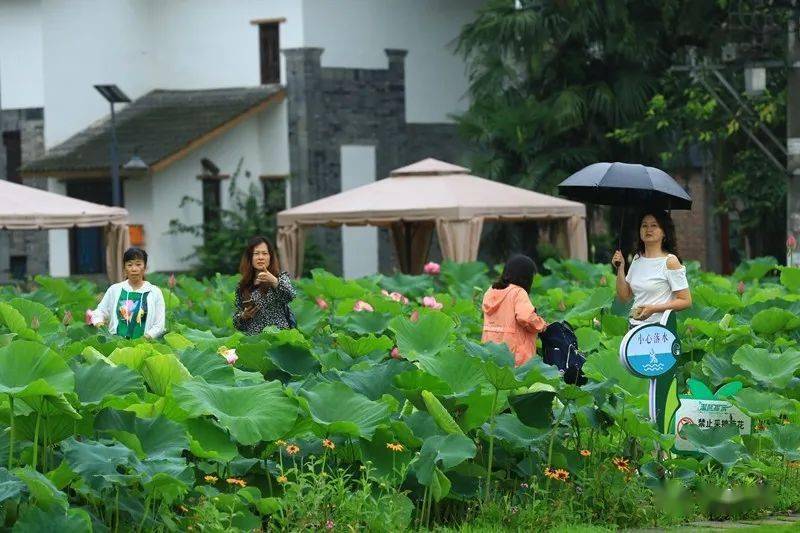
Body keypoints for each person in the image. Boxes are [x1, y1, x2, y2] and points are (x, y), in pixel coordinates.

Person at [613, 211, 692, 327]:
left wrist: (654, 309)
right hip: (635, 327)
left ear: (664, 232)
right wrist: (620, 269)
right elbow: (624, 297)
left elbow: (686, 301)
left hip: (660, 328)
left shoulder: (670, 261)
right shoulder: (637, 259)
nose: (648, 229)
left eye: (654, 225)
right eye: (644, 225)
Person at [481, 254, 547, 366]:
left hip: (489, 352)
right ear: (525, 276)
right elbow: (526, 317)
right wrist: (542, 325)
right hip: (514, 357)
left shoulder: (490, 291)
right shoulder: (518, 292)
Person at [90, 247, 166, 340]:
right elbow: (99, 312)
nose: (134, 269)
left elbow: (159, 325)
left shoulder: (154, 292)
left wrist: (145, 339)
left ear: (145, 267)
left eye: (138, 264)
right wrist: (101, 326)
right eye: (129, 265)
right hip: (115, 345)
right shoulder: (115, 290)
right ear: (124, 268)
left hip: (144, 346)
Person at [233, 236, 296, 335]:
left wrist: (274, 281)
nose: (260, 257)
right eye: (256, 254)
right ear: (250, 258)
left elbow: (290, 296)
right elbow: (238, 325)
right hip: (255, 341)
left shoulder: (280, 277)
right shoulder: (243, 286)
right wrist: (243, 316)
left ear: (270, 257)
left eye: (265, 253)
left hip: (279, 338)